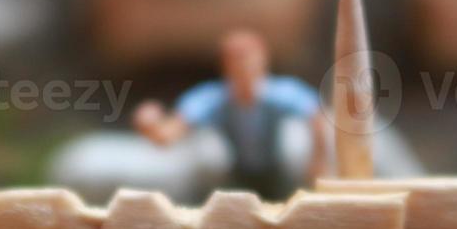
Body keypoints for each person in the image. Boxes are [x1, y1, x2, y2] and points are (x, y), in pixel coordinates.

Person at [132, 30, 328, 201]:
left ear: (263, 59)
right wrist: (149, 124)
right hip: (235, 179)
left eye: (248, 57)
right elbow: (169, 134)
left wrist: (318, 163)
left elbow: (316, 116)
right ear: (225, 64)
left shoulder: (280, 94)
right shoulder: (212, 99)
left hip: (277, 176)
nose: (243, 65)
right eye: (236, 58)